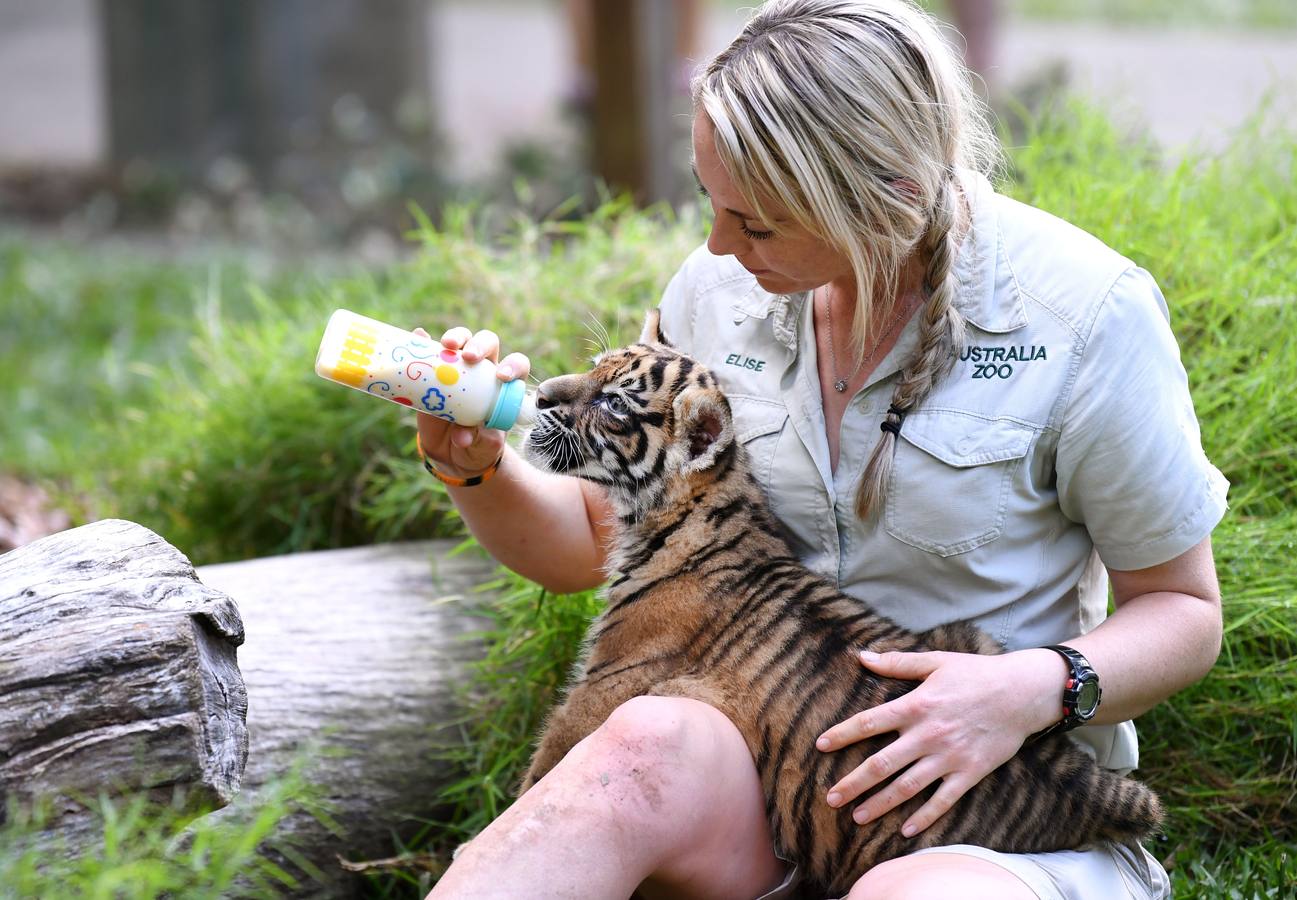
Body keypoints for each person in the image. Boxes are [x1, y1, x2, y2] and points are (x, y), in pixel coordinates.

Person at [414, 1, 1227, 897]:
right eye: (711, 204)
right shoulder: (718, 291)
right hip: (765, 800)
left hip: (995, 827)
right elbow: (593, 538)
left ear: (891, 197)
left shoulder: (1084, 316)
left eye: (759, 223)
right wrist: (472, 463)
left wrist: (1029, 690)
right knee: (642, 747)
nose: (719, 246)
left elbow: (1184, 614)